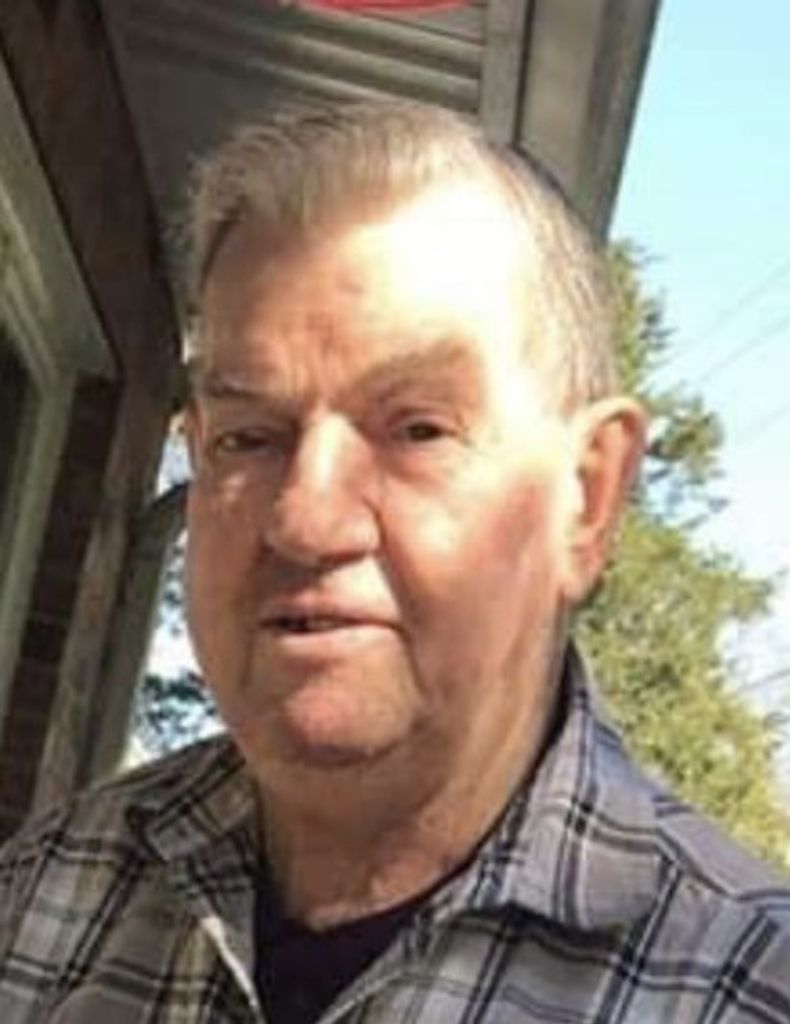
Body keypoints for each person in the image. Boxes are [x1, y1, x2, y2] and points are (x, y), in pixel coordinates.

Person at [1, 100, 788, 1024]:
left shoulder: (745, 986)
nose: (305, 519)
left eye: (417, 429)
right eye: (248, 437)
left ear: (586, 498)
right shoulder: (40, 897)